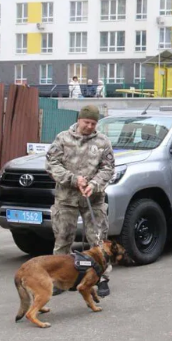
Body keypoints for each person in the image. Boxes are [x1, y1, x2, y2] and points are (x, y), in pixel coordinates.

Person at [45, 105, 115, 296]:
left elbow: (108, 168)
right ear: (79, 120)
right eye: (86, 122)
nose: (90, 126)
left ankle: (102, 278)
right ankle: (60, 279)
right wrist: (74, 179)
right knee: (63, 238)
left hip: (94, 200)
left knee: (98, 240)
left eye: (93, 123)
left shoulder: (103, 142)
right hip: (67, 198)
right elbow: (52, 164)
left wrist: (94, 184)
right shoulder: (62, 138)